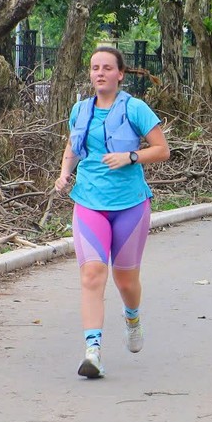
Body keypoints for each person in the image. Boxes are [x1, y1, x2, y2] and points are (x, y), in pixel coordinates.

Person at [54, 44, 169, 378]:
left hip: (130, 206)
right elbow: (72, 148)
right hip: (89, 203)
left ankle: (132, 317)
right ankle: (93, 351)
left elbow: (162, 150)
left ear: (120, 74)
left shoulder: (135, 109)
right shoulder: (81, 111)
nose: (100, 73)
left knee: (125, 279)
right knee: (92, 274)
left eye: (107, 68)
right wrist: (64, 174)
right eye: (94, 68)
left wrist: (131, 157)